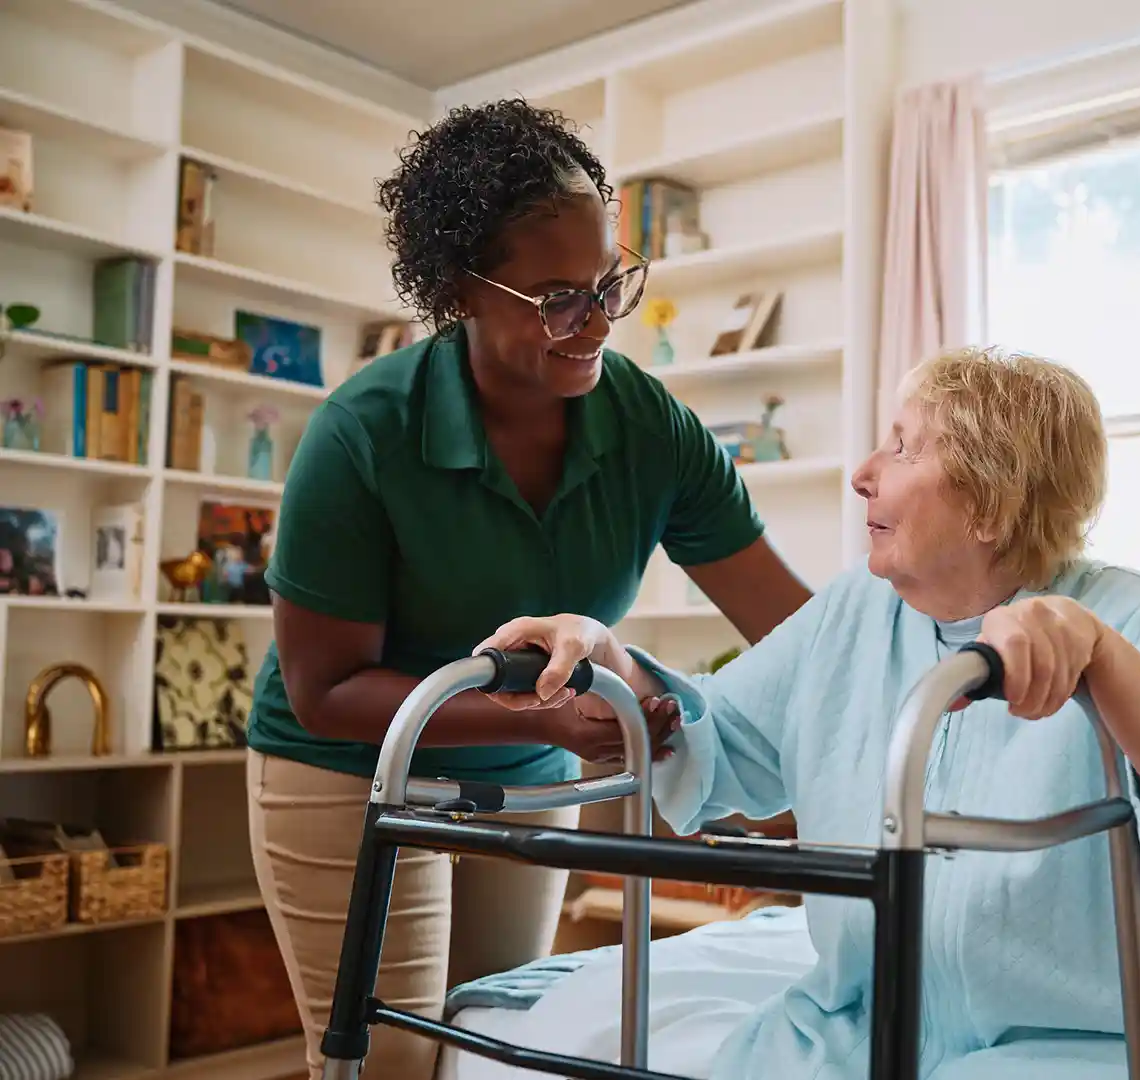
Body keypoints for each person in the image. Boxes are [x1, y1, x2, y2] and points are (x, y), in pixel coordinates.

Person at [476, 346, 1140, 1079]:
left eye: (903, 447)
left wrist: (1098, 656)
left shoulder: (1126, 615)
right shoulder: (854, 611)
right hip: (861, 1028)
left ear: (992, 504)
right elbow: (714, 734)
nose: (862, 474)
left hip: (1083, 1041)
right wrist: (608, 655)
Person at [244, 99, 812, 1080]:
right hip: (348, 766)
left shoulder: (649, 428)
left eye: (608, 285)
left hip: (534, 768)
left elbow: (794, 627)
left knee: (507, 1053)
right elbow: (325, 691)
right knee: (391, 1062)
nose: (593, 323)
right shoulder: (363, 435)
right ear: (461, 291)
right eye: (556, 297)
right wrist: (552, 721)